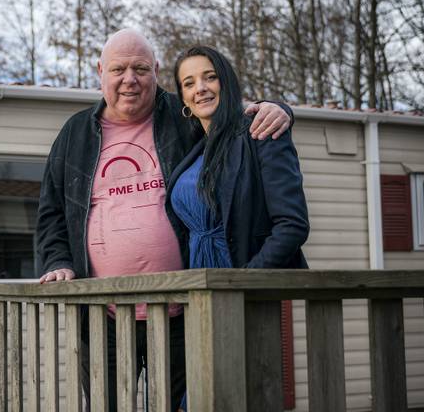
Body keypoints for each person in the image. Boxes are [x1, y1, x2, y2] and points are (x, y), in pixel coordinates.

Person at [36, 29, 293, 411]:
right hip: (103, 316)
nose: (130, 79)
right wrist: (57, 261)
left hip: (180, 311)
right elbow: (52, 211)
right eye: (118, 69)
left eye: (140, 68)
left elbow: (233, 115)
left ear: (155, 71)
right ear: (100, 71)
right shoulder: (75, 133)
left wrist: (278, 107)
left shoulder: (183, 113)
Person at [169, 45, 309, 411]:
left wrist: (244, 282)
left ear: (226, 82)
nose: (200, 87)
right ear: (182, 97)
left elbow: (292, 225)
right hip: (194, 299)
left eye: (209, 76)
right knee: (196, 397)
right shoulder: (193, 150)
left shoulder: (259, 130)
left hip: (243, 295)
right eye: (189, 82)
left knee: (240, 397)